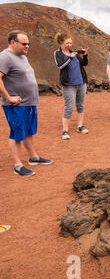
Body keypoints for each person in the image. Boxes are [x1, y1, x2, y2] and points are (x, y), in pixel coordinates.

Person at [0, 30, 53, 177]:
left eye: (28, 43)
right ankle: (17, 165)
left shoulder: (22, 56)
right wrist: (8, 97)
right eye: (24, 44)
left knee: (29, 131)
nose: (27, 46)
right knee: (17, 133)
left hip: (29, 102)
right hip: (16, 105)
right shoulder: (5, 57)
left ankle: (33, 157)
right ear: (12, 42)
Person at [54, 33, 89, 140]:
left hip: (81, 83)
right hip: (69, 85)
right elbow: (60, 66)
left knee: (80, 105)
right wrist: (70, 58)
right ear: (61, 42)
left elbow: (84, 64)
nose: (69, 45)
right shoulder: (58, 53)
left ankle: (80, 126)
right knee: (69, 107)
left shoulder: (73, 52)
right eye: (67, 43)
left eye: (70, 42)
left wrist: (85, 55)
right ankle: (65, 130)